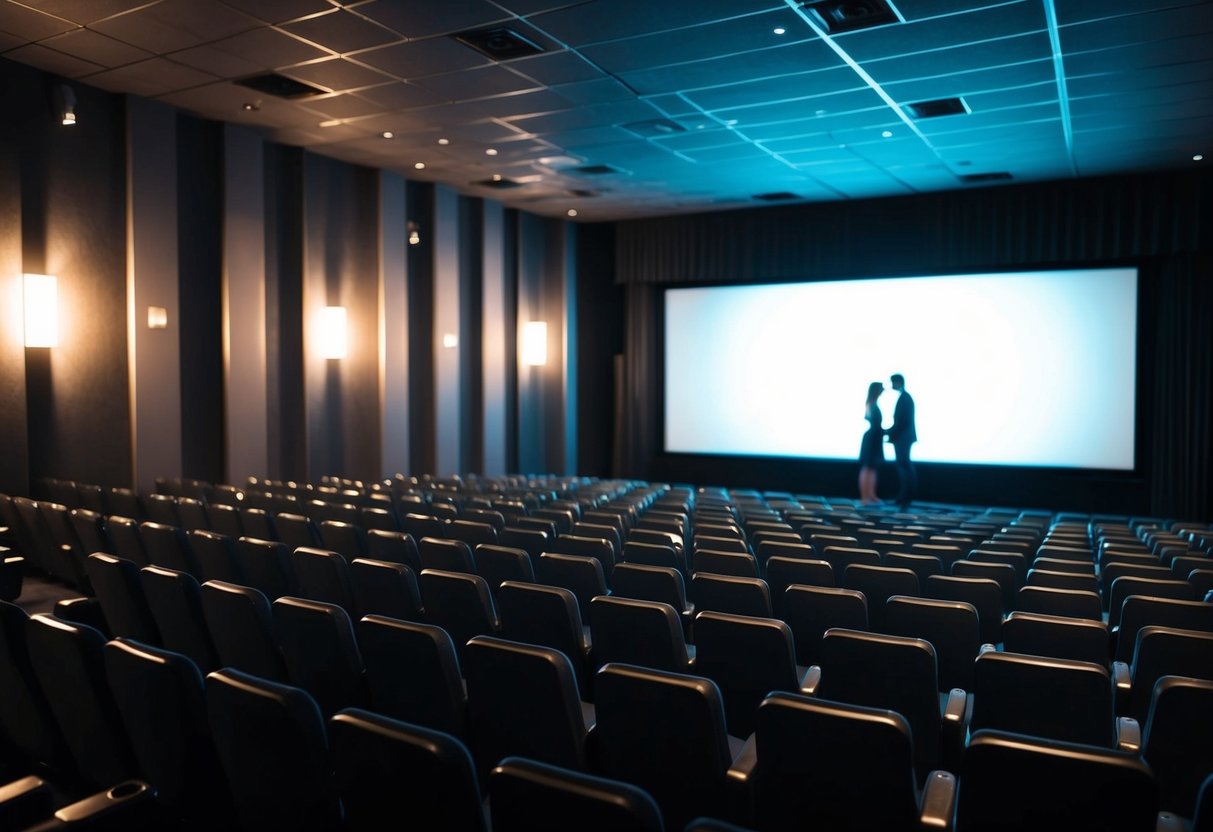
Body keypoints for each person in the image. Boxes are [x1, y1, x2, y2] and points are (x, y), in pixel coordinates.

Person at [885, 373, 917, 510]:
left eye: (892, 382)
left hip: (902, 438)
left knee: (904, 467)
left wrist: (890, 433)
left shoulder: (905, 398)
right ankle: (904, 497)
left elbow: (902, 421)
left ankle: (905, 497)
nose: (891, 385)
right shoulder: (905, 397)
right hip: (903, 437)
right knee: (904, 467)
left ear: (898, 382)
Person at [858, 381, 884, 505]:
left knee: (872, 468)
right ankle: (864, 497)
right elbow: (875, 423)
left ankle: (871, 494)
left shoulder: (872, 403)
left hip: (875, 438)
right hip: (872, 438)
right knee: (867, 467)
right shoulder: (871, 404)